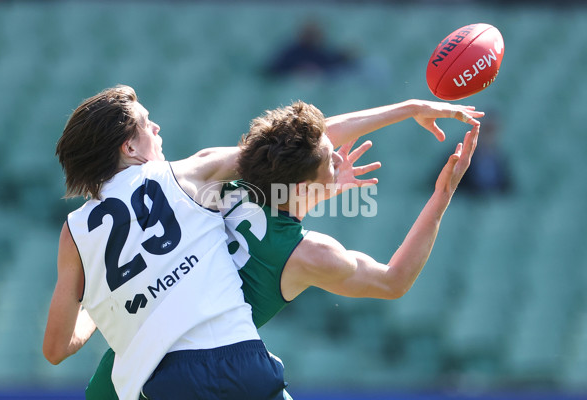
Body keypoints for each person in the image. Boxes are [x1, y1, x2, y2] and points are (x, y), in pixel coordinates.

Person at [85, 98, 483, 399]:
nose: (338, 155)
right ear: (301, 184)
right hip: (205, 374)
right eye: (330, 162)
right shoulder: (309, 255)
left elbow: (310, 146)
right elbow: (393, 281)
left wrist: (410, 107)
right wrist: (443, 194)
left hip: (127, 368)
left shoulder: (222, 182)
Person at [42, 85, 289, 400]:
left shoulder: (73, 231)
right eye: (146, 122)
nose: (156, 127)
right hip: (241, 365)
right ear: (129, 146)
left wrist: (102, 302)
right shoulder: (179, 175)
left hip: (162, 385)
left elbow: (54, 349)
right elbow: (284, 150)